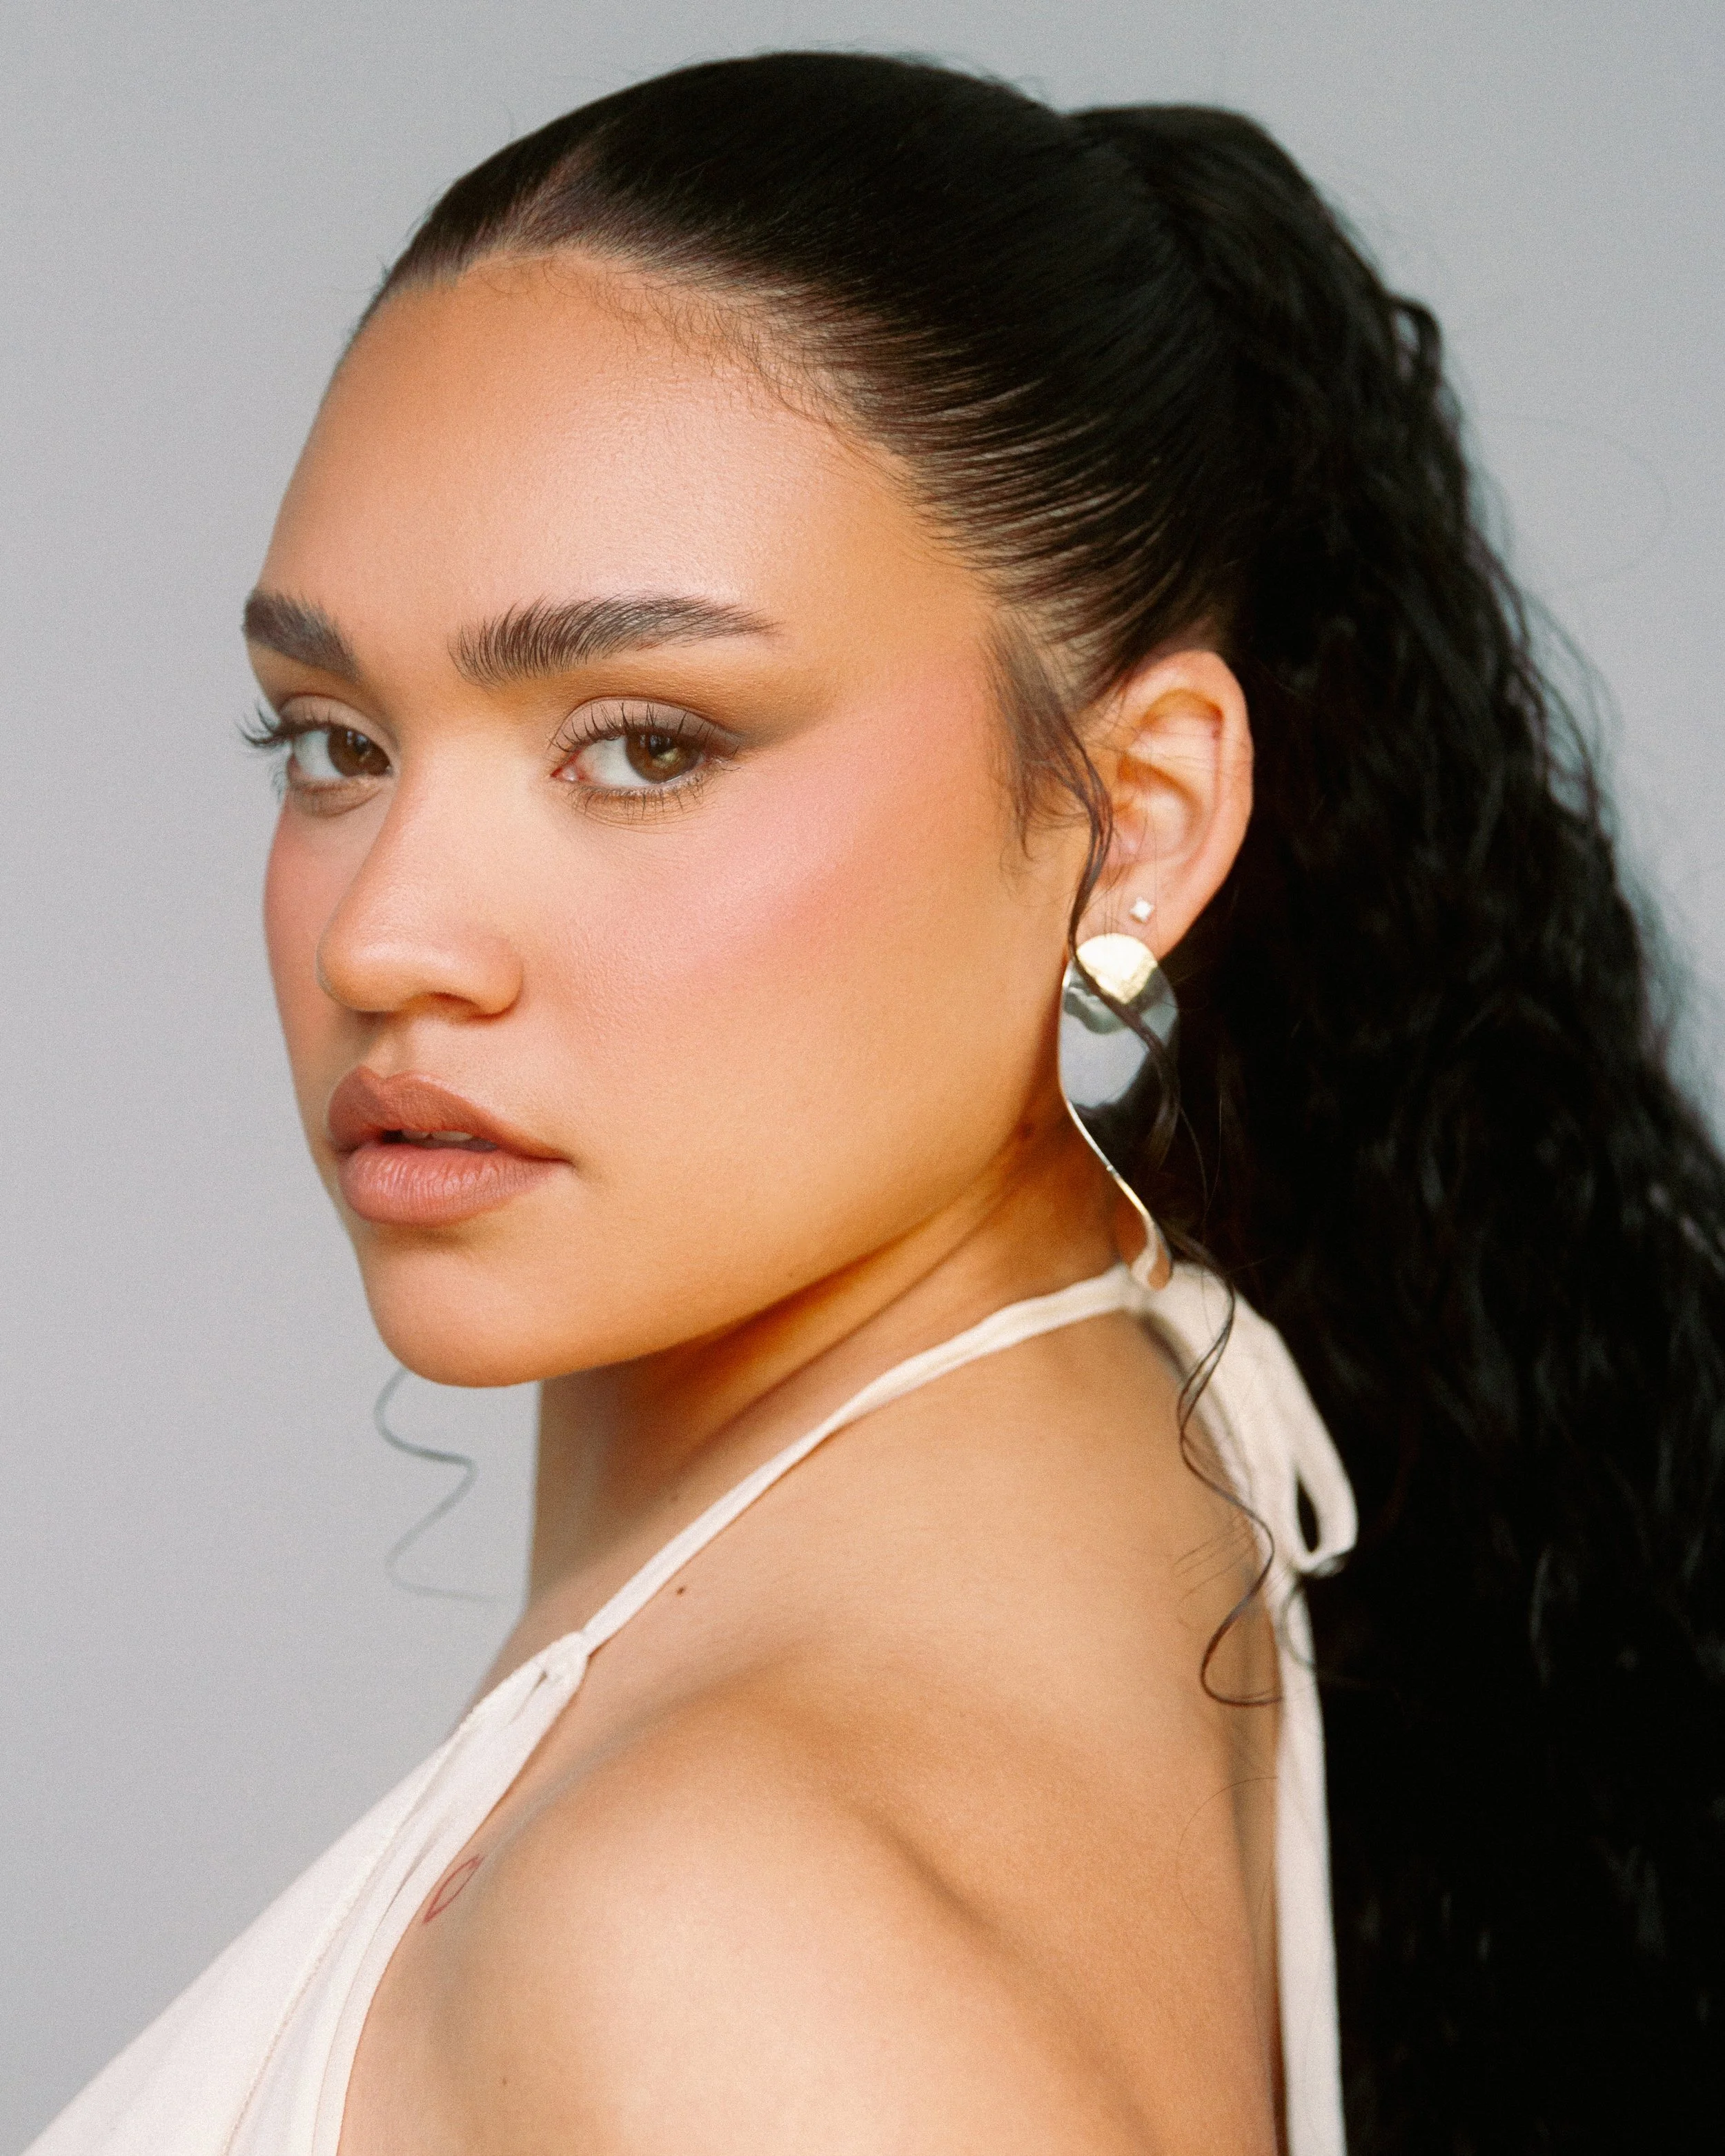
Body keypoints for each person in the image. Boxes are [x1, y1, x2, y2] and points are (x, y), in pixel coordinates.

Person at [29, 49, 1724, 2156]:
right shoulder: (1144, 1409)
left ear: (1134, 820)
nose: (385, 939)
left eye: (645, 743)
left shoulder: (732, 1940)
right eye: (331, 739)